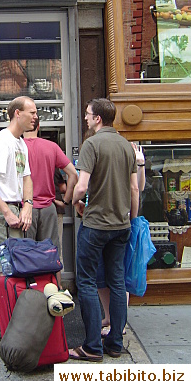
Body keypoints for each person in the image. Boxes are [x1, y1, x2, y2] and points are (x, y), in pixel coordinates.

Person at [69, 99, 139, 362]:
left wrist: (74, 200)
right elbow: (134, 189)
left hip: (96, 224)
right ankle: (115, 344)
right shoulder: (125, 145)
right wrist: (131, 219)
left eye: (88, 114)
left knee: (86, 281)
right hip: (121, 225)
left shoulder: (92, 144)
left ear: (98, 118)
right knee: (117, 282)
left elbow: (82, 186)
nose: (86, 118)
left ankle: (91, 347)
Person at [0, 96, 38, 343]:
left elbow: (27, 178)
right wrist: (6, 211)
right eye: (31, 112)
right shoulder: (2, 142)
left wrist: (28, 205)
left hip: (13, 209)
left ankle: (4, 322)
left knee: (7, 267)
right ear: (16, 114)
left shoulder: (20, 143)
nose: (35, 116)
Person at [23, 118, 78, 287]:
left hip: (25, 208)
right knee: (52, 252)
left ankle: (28, 294)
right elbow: (74, 175)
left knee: (25, 254)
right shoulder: (52, 147)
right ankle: (57, 291)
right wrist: (66, 201)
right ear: (39, 127)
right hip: (48, 207)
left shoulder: (16, 147)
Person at [98, 142, 146, 337]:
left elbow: (138, 188)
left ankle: (118, 322)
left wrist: (140, 163)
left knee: (117, 274)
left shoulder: (127, 157)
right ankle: (111, 318)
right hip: (111, 220)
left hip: (118, 221)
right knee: (106, 274)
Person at [54, 168, 68, 268]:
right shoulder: (54, 167)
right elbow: (63, 188)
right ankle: (58, 280)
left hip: (35, 208)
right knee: (57, 247)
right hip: (57, 207)